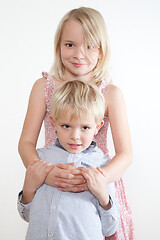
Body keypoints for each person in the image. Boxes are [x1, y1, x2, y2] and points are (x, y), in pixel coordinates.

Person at [18, 7, 135, 240]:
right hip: (53, 181)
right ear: (58, 46)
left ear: (102, 50)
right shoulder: (44, 87)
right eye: (70, 44)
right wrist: (45, 174)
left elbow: (126, 154)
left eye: (90, 45)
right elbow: (26, 142)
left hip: (97, 183)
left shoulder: (110, 93)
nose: (79, 54)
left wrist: (95, 179)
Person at [18, 80, 120, 240]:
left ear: (98, 127)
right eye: (66, 126)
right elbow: (27, 215)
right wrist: (29, 188)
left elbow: (110, 229)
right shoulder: (41, 159)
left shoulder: (103, 166)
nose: (75, 136)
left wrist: (102, 196)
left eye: (85, 127)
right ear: (54, 123)